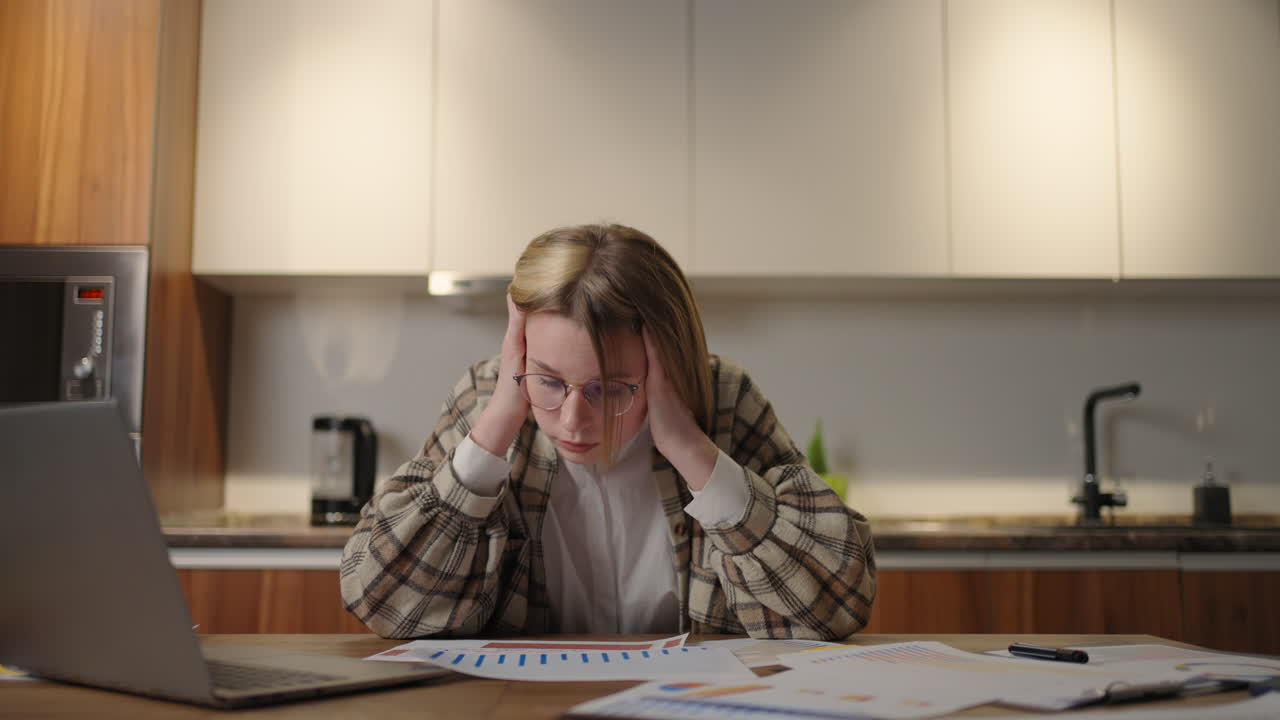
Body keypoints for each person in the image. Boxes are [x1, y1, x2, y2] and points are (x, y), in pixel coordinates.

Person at [340, 223, 876, 639]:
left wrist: (692, 450)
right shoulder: (489, 396)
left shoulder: (723, 398)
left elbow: (838, 604)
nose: (573, 421)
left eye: (612, 388)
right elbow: (381, 601)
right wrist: (499, 421)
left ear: (668, 361)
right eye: (549, 381)